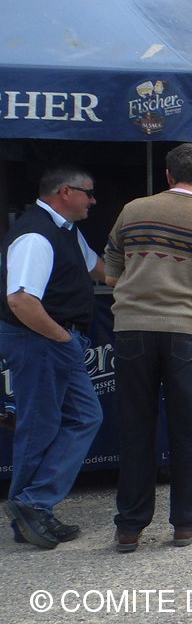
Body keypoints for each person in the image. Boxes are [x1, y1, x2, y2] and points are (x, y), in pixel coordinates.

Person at [104, 143, 192, 553]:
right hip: (187, 332)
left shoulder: (133, 211)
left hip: (132, 330)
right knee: (188, 431)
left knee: (135, 428)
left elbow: (111, 271)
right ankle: (187, 522)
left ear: (167, 175)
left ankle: (129, 527)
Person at [0, 166, 105, 549]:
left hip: (54, 340)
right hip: (39, 339)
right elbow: (21, 300)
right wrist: (63, 339)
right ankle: (32, 509)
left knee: (85, 416)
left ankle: (33, 507)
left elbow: (101, 270)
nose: (93, 200)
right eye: (88, 193)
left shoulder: (66, 230)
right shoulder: (35, 235)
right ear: (65, 192)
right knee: (39, 426)